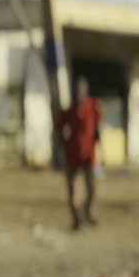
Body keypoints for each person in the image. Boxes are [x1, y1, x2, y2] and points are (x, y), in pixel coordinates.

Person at [55, 76, 103, 229]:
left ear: (86, 91)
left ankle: (86, 213)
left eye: (81, 90)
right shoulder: (69, 110)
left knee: (91, 187)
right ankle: (76, 219)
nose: (79, 93)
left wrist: (100, 149)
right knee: (72, 188)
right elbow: (59, 128)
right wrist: (62, 146)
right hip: (72, 154)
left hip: (88, 153)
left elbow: (98, 129)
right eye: (76, 90)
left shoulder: (93, 107)